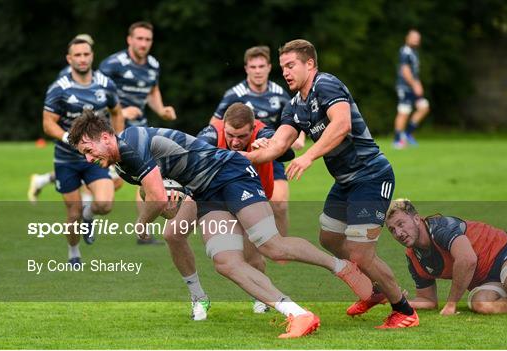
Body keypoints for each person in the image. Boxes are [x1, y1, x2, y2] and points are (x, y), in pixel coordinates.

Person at [68, 111, 374, 338]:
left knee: (271, 245)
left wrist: (142, 221)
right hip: (204, 193)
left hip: (231, 173)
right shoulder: (123, 166)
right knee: (225, 262)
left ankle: (341, 266)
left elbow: (156, 199)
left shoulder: (132, 142)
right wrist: (167, 206)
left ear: (105, 137)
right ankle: (297, 313)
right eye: (84, 154)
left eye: (88, 149)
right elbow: (164, 201)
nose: (89, 157)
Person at [245, 39, 419, 329]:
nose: (285, 72)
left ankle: (404, 310)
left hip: (371, 175)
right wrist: (244, 155)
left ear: (310, 64)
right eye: (283, 67)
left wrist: (309, 156)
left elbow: (342, 124)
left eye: (291, 66)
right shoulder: (295, 106)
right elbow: (278, 145)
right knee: (329, 238)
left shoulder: (326, 85)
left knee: (361, 253)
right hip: (345, 182)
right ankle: (375, 289)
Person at [165, 102, 295, 320]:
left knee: (252, 257)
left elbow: (287, 152)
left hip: (247, 196)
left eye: (242, 136)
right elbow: (191, 158)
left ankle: (261, 297)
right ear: (223, 126)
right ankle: (198, 297)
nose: (235, 142)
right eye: (230, 135)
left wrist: (270, 146)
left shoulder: (263, 132)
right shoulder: (211, 133)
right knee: (172, 234)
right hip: (209, 194)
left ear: (252, 128)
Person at [42, 37, 124, 265]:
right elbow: (48, 122)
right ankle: (73, 252)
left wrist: (117, 144)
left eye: (86, 54)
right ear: (69, 59)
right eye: (77, 55)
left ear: (92, 56)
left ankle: (90, 214)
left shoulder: (105, 84)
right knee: (73, 212)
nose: (82, 59)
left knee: (105, 205)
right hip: (66, 159)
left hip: (96, 158)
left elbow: (117, 112)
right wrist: (68, 138)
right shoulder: (59, 88)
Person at [211, 45, 304, 238]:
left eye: (261, 66)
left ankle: (283, 248)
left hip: (270, 151)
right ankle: (252, 246)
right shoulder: (234, 94)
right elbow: (215, 124)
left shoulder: (279, 93)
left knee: (279, 204)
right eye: (253, 67)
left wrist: (300, 137)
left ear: (269, 67)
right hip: (241, 154)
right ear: (246, 68)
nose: (258, 71)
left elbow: (295, 120)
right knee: (244, 204)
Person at [98, 21, 177, 244]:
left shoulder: (152, 64)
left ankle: (144, 232)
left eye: (147, 40)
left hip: (139, 130)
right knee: (114, 182)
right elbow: (95, 95)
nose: (143, 44)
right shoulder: (113, 64)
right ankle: (86, 210)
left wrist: (162, 110)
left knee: (147, 176)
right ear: (129, 40)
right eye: (139, 39)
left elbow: (152, 90)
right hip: (111, 130)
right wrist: (121, 111)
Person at [385, 199, 507, 314]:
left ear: (416, 219)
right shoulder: (413, 256)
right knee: (482, 304)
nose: (398, 233)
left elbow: (467, 260)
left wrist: (451, 304)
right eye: (392, 230)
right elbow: (427, 299)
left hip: (505, 253)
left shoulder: (440, 228)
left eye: (401, 224)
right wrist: (398, 299)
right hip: (487, 282)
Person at [393, 29, 430, 149]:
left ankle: (407, 133)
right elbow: (405, 70)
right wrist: (414, 85)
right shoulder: (405, 51)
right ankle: (397, 140)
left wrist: (418, 84)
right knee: (404, 111)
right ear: (407, 38)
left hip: (413, 86)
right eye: (414, 37)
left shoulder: (414, 52)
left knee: (424, 107)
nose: (416, 40)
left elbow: (414, 72)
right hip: (405, 87)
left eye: (417, 38)